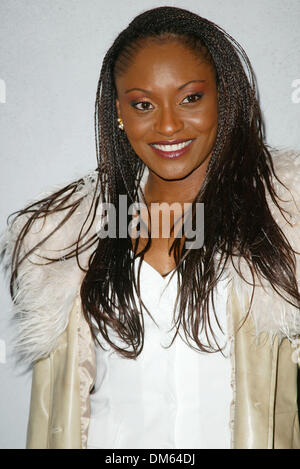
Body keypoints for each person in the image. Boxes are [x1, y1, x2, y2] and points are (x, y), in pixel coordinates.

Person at [0, 6, 300, 450]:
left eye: (190, 98)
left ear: (224, 97)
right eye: (143, 104)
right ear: (119, 112)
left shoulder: (285, 223)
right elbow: (53, 415)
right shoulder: (66, 241)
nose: (168, 125)